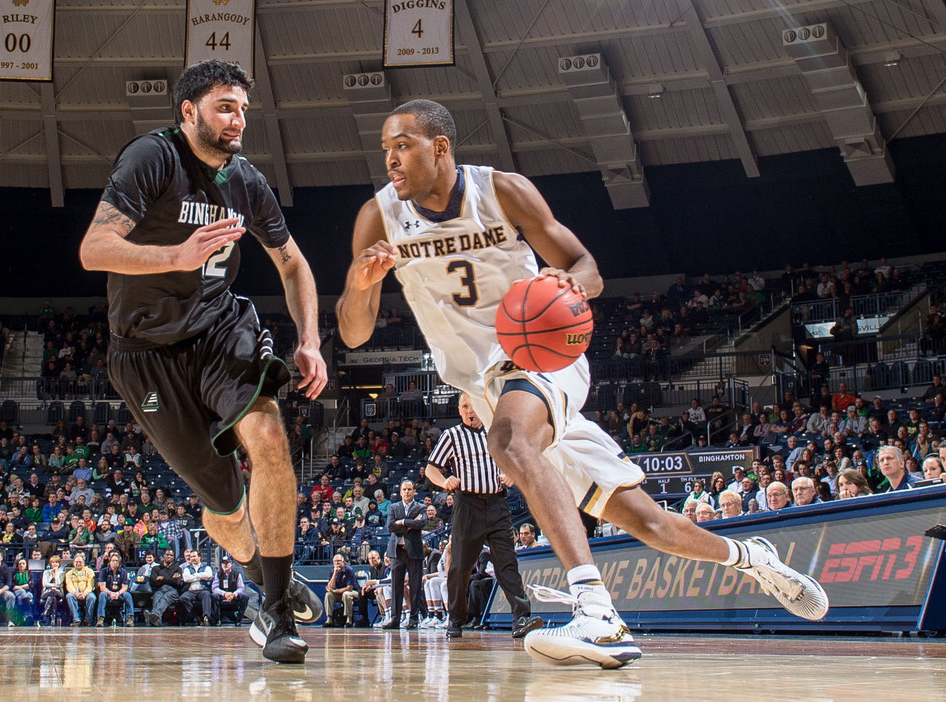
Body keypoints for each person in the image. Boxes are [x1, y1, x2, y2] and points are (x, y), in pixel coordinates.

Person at [336, 99, 828, 668]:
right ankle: (750, 555)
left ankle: (597, 613)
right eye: (386, 149)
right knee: (648, 522)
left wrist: (565, 282)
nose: (391, 159)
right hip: (483, 384)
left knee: (508, 443)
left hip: (540, 352)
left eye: (402, 145)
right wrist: (358, 281)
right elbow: (353, 334)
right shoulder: (379, 217)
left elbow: (585, 265)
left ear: (440, 146)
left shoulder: (501, 191)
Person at [78, 59, 323, 662]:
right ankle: (272, 580)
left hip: (220, 329)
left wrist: (310, 338)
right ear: (188, 112)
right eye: (224, 107)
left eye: (242, 108)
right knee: (224, 509)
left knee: (267, 434)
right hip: (144, 352)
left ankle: (273, 616)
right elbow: (94, 249)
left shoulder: (247, 181)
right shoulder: (151, 158)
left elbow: (292, 262)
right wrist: (176, 256)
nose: (237, 119)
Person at [423, 394, 541, 639]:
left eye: (473, 405)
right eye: (465, 406)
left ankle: (521, 617)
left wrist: (513, 473)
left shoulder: (497, 430)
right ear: (459, 410)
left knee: (507, 561)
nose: (470, 410)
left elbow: (519, 458)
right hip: (467, 505)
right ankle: (455, 619)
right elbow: (431, 468)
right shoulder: (452, 435)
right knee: (460, 566)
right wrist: (444, 481)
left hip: (497, 504)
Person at [382, 480, 426, 629]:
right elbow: (390, 527)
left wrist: (402, 522)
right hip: (397, 552)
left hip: (414, 551)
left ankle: (414, 619)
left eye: (409, 489)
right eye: (404, 489)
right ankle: (395, 619)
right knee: (396, 587)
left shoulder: (421, 507)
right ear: (400, 492)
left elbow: (421, 524)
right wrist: (409, 524)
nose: (407, 492)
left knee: (415, 587)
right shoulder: (394, 507)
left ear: (414, 491)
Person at [97, 551, 134, 627]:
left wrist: (118, 593)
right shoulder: (104, 571)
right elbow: (102, 587)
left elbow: (125, 587)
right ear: (109, 562)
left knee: (127, 595)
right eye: (113, 561)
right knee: (102, 594)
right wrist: (110, 593)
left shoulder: (123, 572)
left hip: (119, 594)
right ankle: (100, 618)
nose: (115, 562)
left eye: (116, 561)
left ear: (119, 563)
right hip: (108, 594)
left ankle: (130, 618)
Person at [321, 553, 359, 627]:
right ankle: (329, 618)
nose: (337, 563)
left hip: (354, 592)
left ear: (343, 562)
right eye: (335, 561)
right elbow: (330, 587)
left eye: (338, 561)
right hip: (340, 593)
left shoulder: (349, 570)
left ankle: (349, 619)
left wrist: (335, 591)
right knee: (328, 595)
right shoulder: (332, 571)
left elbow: (349, 588)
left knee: (346, 594)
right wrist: (335, 574)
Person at [180, 549, 214, 626]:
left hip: (202, 589)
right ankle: (196, 616)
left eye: (194, 556)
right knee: (183, 598)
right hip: (191, 591)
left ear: (199, 557)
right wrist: (201, 576)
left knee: (206, 595)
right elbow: (186, 579)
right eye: (191, 557)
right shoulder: (187, 568)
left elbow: (208, 575)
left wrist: (195, 575)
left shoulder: (206, 567)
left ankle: (206, 617)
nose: (192, 558)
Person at [212, 557, 249, 624]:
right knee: (214, 596)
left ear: (231, 564)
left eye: (227, 563)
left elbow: (241, 587)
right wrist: (224, 594)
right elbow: (214, 588)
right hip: (222, 595)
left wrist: (234, 594)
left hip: (233, 594)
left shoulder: (237, 574)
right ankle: (217, 619)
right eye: (223, 563)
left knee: (245, 596)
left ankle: (238, 619)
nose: (225, 565)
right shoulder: (218, 574)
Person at [65, 552, 97, 626]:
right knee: (69, 596)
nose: (78, 563)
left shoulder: (89, 571)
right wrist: (75, 593)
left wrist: (84, 593)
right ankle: (76, 620)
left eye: (80, 562)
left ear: (84, 563)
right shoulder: (69, 573)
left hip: (87, 592)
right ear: (73, 563)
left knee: (92, 597)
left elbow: (90, 585)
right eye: (76, 562)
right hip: (74, 593)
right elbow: (69, 585)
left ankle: (88, 620)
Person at [41, 554, 67, 623]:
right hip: (47, 592)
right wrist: (55, 586)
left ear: (59, 564)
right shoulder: (46, 572)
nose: (55, 564)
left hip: (59, 593)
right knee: (52, 596)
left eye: (56, 562)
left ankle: (45, 612)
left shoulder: (62, 573)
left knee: (53, 593)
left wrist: (55, 575)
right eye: (53, 562)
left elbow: (59, 583)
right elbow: (45, 584)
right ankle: (53, 616)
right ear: (50, 563)